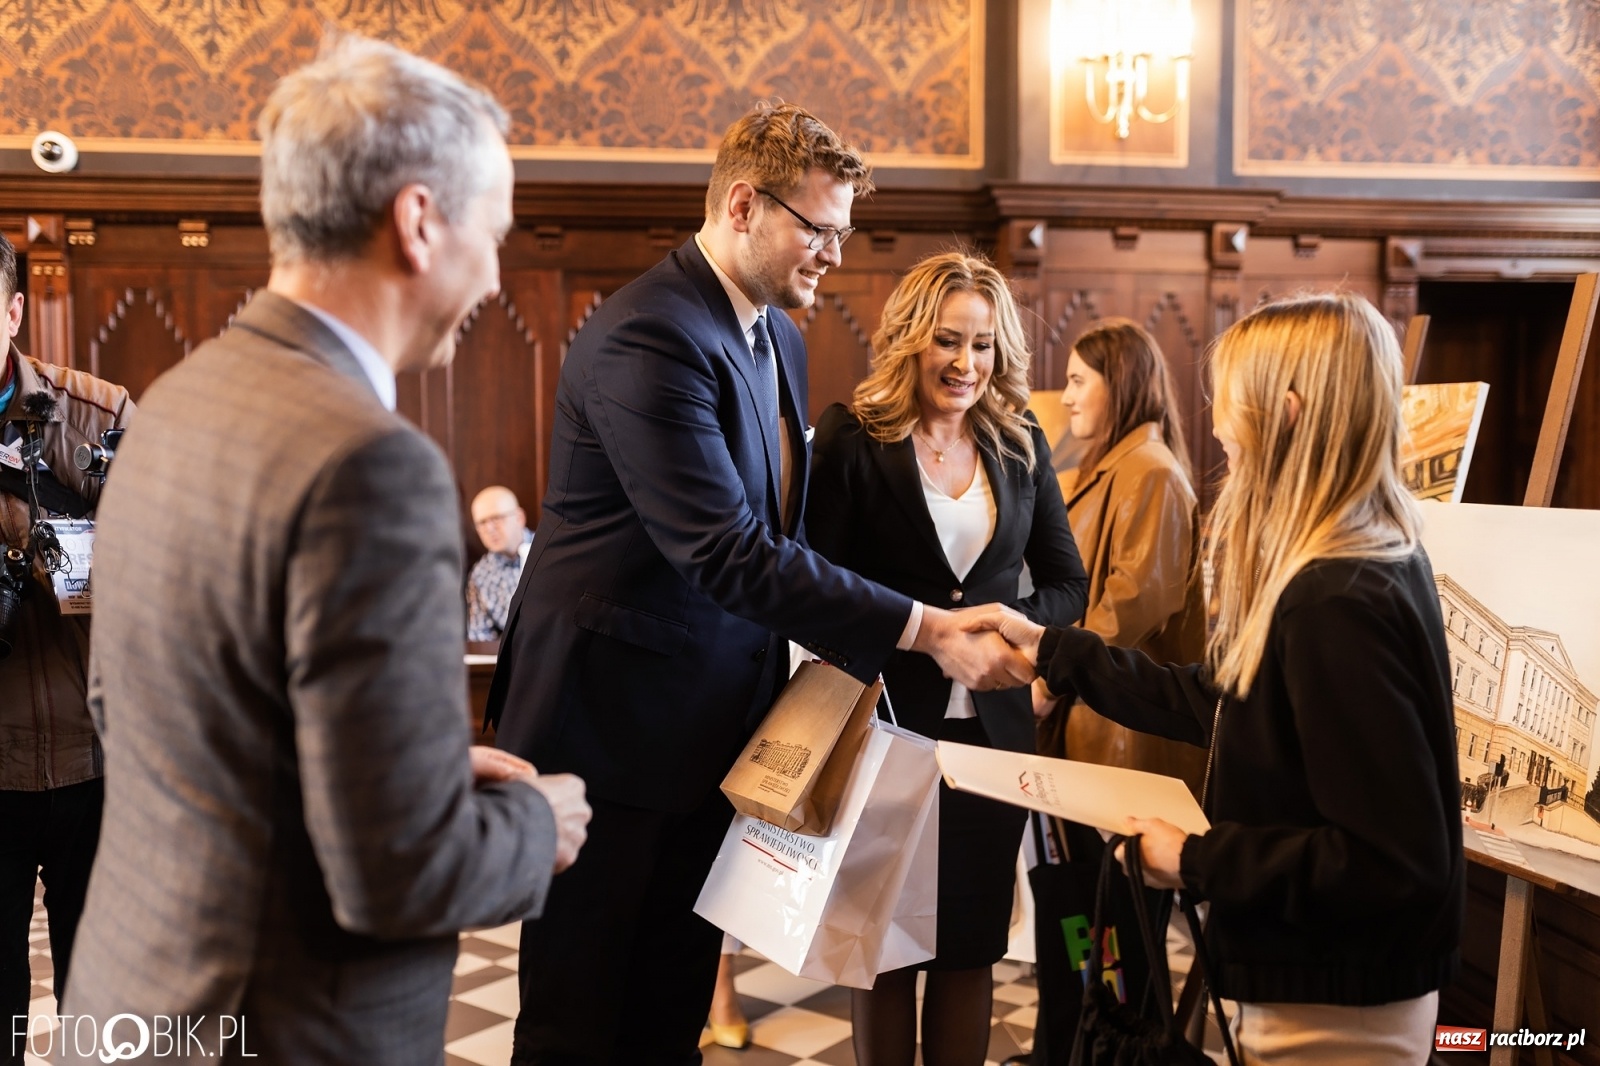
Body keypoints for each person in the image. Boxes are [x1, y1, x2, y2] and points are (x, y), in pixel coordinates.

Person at [60, 35, 590, 1065]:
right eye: (497, 228)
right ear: (420, 221)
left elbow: (161, 715)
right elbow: (394, 872)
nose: (495, 269)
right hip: (284, 1021)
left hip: (136, 1003)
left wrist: (416, 770)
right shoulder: (368, 465)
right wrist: (536, 823)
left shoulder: (177, 397)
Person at [485, 102, 1030, 1065]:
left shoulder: (772, 336)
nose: (832, 253)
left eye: (843, 232)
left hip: (708, 733)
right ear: (744, 204)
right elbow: (728, 552)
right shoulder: (649, 334)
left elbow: (792, 534)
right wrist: (926, 630)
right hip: (605, 731)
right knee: (577, 1023)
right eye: (818, 229)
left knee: (667, 1011)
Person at [973, 293, 1465, 1064]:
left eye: (1229, 401)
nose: (1218, 426)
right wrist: (1054, 649)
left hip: (1340, 996)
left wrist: (1192, 859)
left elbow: (1392, 862)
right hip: (1324, 977)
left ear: (1289, 412)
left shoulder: (1338, 596)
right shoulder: (1341, 565)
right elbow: (1222, 699)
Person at [805, 251, 1087, 1066]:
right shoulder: (854, 439)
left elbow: (1069, 585)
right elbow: (815, 591)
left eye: (984, 345)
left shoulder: (1021, 440)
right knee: (883, 951)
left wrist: (1001, 626)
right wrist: (925, 633)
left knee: (970, 950)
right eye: (948, 341)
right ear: (908, 341)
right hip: (882, 733)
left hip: (991, 744)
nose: (967, 364)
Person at [0, 233, 133, 1066]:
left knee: (105, 1003)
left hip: (98, 757)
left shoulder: (95, 410)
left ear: (13, 311)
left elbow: (172, 563)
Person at [1035, 318, 1207, 791]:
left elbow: (1135, 601)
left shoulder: (1151, 471)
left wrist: (1054, 678)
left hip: (1126, 732)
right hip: (1095, 712)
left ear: (1120, 384)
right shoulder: (1114, 467)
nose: (1066, 397)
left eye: (1077, 381)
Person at [467, 484, 531, 640]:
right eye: (482, 523)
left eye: (496, 518)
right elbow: (479, 636)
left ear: (519, 518)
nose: (489, 529)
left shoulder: (548, 553)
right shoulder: (480, 574)